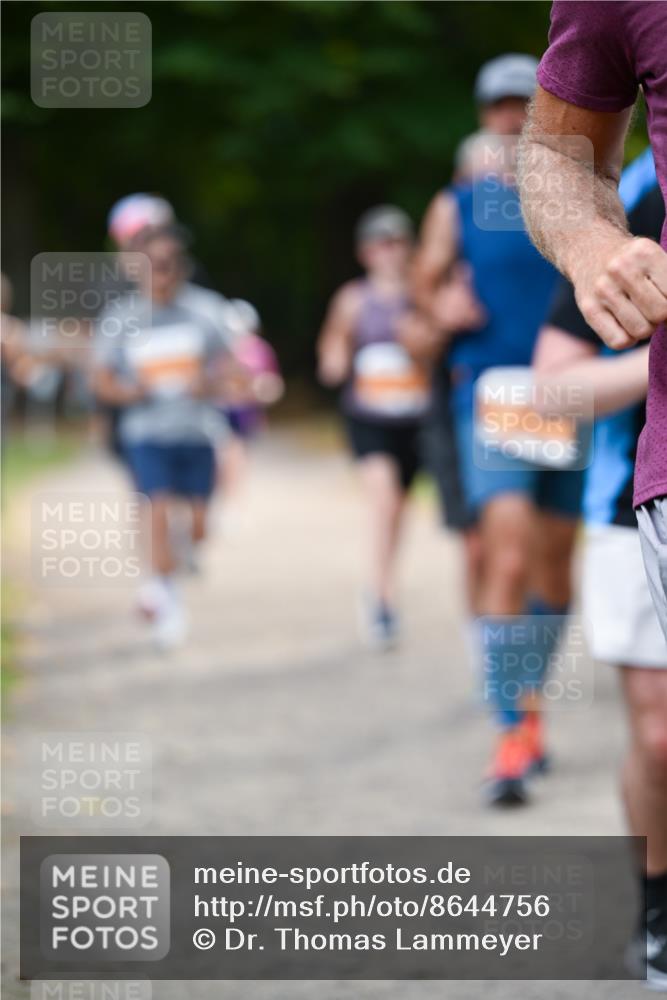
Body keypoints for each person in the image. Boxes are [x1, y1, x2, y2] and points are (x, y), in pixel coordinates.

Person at [518, 3, 667, 985]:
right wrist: (615, 287)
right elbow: (550, 389)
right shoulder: (639, 196)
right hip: (627, 496)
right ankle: (655, 902)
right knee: (657, 735)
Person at [413, 70, 585, 808]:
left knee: (556, 569)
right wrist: (440, 303)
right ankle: (510, 728)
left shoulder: (580, 195)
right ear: (484, 116)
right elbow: (423, 284)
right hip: (491, 396)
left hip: (571, 392)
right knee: (505, 552)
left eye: (526, 105)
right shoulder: (455, 204)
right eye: (501, 106)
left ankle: (527, 697)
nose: (513, 118)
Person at [93, 225, 230, 649]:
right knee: (157, 509)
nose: (162, 272)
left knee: (199, 526)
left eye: (169, 263)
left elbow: (231, 367)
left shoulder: (206, 311)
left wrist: (210, 384)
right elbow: (101, 381)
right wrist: (130, 392)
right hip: (146, 433)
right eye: (153, 264)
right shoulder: (121, 319)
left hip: (196, 431)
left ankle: (177, 561)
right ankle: (167, 599)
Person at [317, 205, 430, 649]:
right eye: (381, 244)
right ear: (366, 253)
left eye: (398, 242)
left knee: (399, 508)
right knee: (383, 500)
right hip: (368, 419)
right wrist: (335, 360)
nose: (390, 252)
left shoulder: (423, 294)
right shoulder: (353, 299)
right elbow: (333, 348)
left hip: (414, 419)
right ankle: (381, 598)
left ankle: (383, 583)